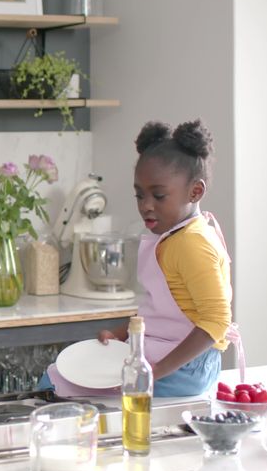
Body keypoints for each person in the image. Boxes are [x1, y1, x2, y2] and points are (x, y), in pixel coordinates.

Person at [44, 120, 233, 397]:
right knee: (60, 378)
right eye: (139, 195)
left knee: (60, 384)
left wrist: (154, 373)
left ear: (195, 192)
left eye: (159, 195)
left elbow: (216, 322)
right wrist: (121, 333)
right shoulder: (174, 235)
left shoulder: (192, 243)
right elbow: (160, 313)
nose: (146, 205)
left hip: (186, 369)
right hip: (165, 354)